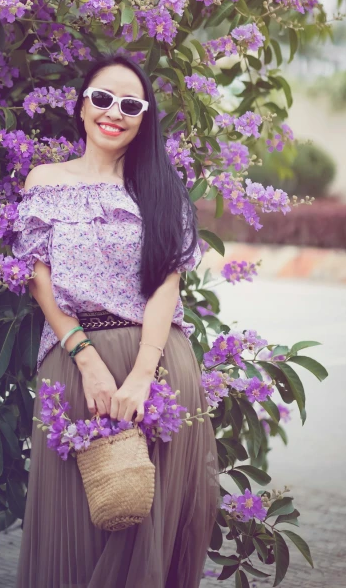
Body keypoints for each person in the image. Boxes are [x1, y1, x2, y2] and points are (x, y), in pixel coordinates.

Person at [11, 55, 220, 588]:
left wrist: (143, 377)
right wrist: (88, 360)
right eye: (102, 98)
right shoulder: (46, 181)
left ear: (144, 118)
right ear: (81, 105)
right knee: (73, 526)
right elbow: (39, 279)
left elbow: (165, 287)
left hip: (156, 370)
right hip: (76, 364)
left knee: (145, 529)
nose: (114, 113)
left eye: (131, 105)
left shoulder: (161, 191)